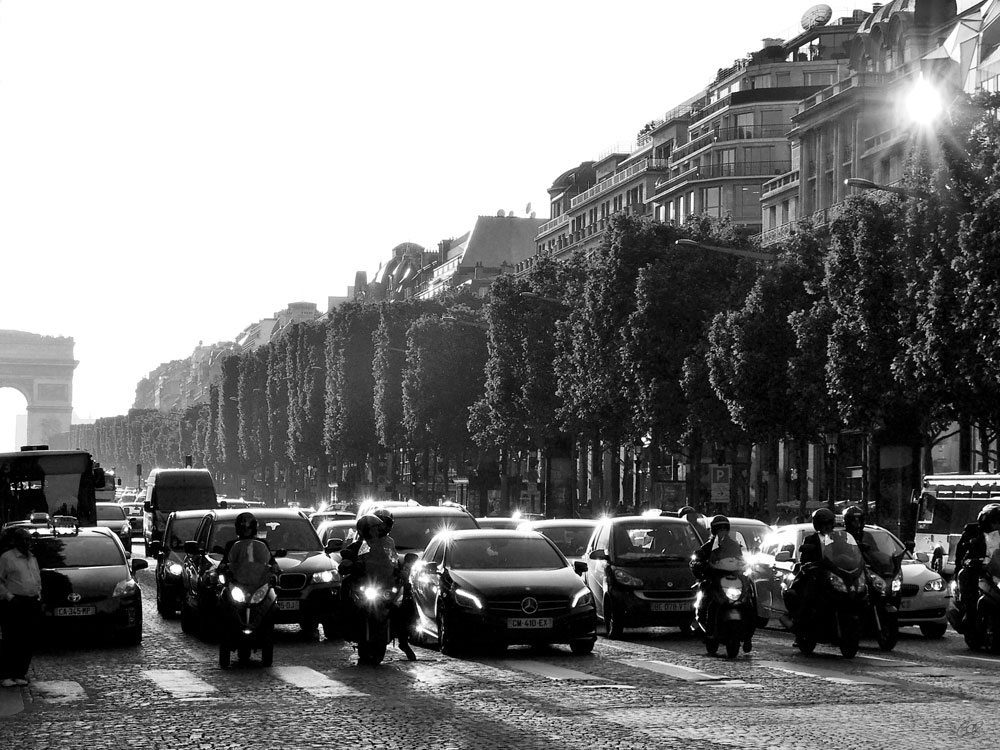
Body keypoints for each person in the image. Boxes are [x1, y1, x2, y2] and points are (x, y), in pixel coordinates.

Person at [0, 527, 42, 688]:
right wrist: (9, 597)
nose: (26, 543)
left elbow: (35, 577)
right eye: (23, 540)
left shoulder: (32, 558)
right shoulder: (7, 558)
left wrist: (38, 595)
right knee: (11, 638)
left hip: (31, 601)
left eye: (28, 540)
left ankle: (19, 673)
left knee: (27, 639)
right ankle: (6, 674)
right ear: (16, 542)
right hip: (14, 602)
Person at [954, 502, 1000, 631]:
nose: (997, 524)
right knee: (965, 575)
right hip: (980, 569)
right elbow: (963, 552)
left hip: (996, 570)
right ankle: (969, 613)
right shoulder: (974, 534)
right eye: (995, 521)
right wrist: (970, 561)